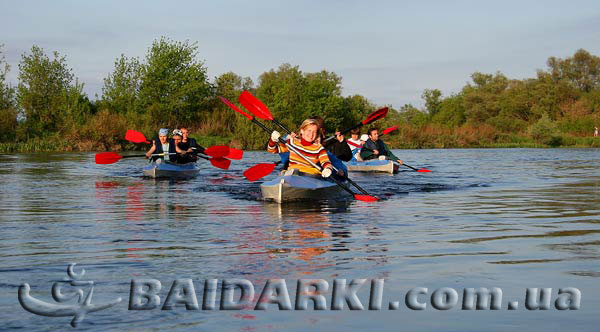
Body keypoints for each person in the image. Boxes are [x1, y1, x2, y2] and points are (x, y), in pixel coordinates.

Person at [267, 118, 339, 178]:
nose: (311, 134)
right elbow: (272, 150)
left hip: (309, 175)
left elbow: (326, 162)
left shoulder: (319, 148)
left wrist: (328, 169)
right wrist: (272, 140)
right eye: (309, 130)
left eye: (314, 132)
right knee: (285, 172)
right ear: (302, 131)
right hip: (291, 172)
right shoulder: (292, 142)